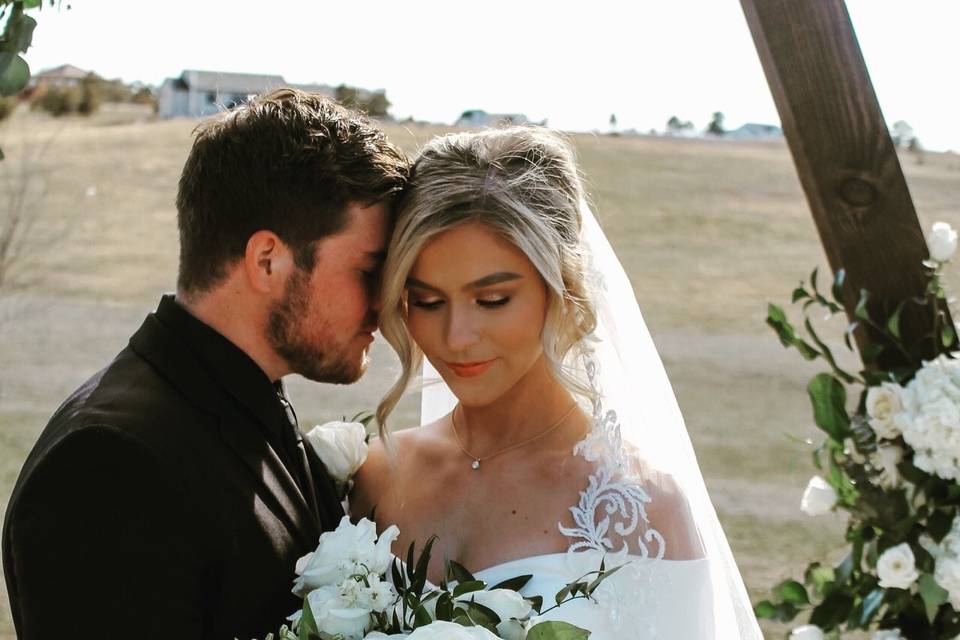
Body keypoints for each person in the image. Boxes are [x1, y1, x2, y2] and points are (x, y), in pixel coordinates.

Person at [2, 89, 409, 639]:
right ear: (268, 261)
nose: (386, 306)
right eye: (368, 271)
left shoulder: (240, 398)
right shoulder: (107, 469)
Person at [351, 127, 762, 637]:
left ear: (563, 289)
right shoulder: (370, 474)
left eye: (492, 300)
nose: (455, 337)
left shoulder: (642, 511)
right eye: (428, 302)